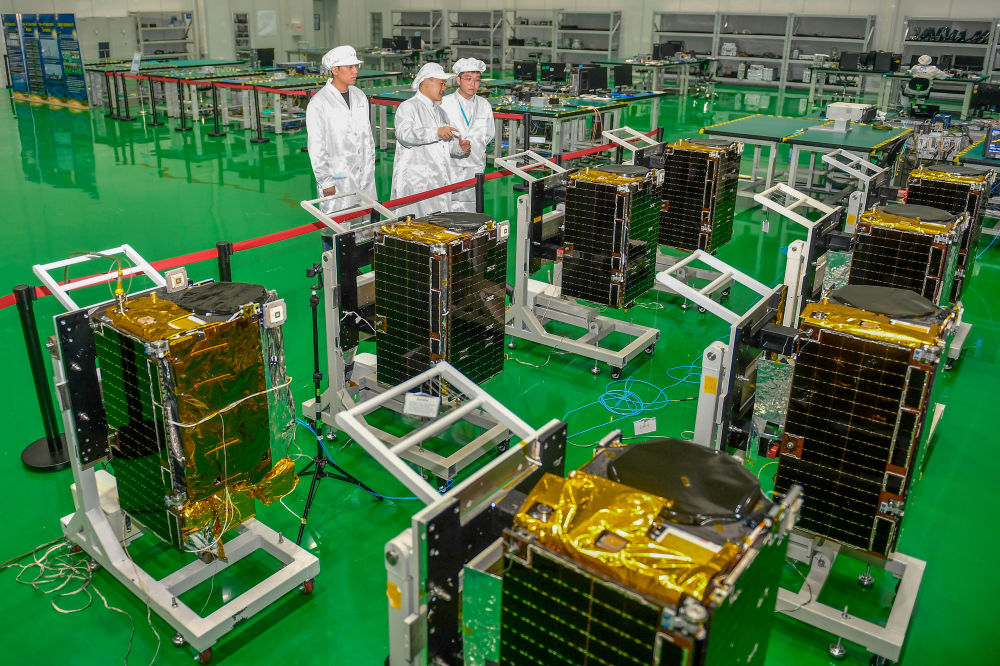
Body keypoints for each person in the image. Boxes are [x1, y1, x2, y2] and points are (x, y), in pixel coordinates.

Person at [390, 62, 470, 218]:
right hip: (416, 183)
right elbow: (405, 135)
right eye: (441, 83)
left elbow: (445, 147)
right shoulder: (408, 107)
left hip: (439, 182)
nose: (444, 88)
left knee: (438, 224)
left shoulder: (441, 112)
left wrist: (459, 148)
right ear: (426, 81)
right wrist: (436, 132)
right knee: (414, 227)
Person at [305, 45, 377, 219]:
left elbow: (367, 136)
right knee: (339, 227)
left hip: (364, 175)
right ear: (335, 70)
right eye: (350, 67)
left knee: (366, 226)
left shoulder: (359, 96)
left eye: (356, 66)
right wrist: (325, 181)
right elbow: (316, 146)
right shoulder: (319, 103)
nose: (355, 71)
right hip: (338, 176)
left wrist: (369, 166)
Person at [441, 58, 495, 213]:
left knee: (473, 208)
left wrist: (476, 144)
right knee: (447, 207)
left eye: (477, 80)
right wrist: (455, 147)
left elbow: (489, 134)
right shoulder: (445, 103)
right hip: (451, 165)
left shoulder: (484, 105)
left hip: (475, 164)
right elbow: (439, 136)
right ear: (458, 80)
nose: (473, 84)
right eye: (468, 79)